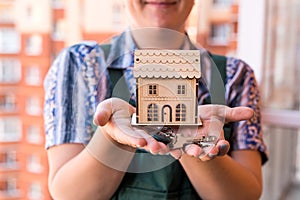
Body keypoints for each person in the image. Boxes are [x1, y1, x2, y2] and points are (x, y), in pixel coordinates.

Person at [44, 0, 268, 199]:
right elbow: (68, 194)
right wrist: (112, 139)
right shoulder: (79, 65)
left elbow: (245, 195)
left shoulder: (234, 75)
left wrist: (190, 140)